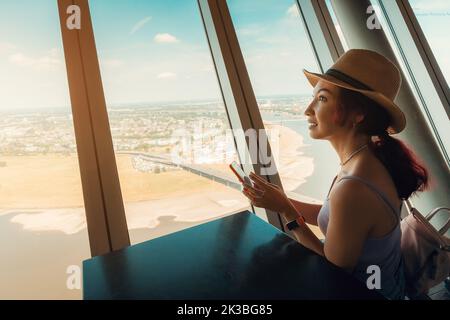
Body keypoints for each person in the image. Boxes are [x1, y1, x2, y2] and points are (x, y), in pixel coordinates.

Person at [241, 49, 429, 300]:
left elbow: (334, 273)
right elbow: (341, 219)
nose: (308, 110)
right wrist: (281, 200)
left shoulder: (355, 186)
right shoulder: (366, 160)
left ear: (358, 114)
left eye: (322, 99)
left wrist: (288, 213)